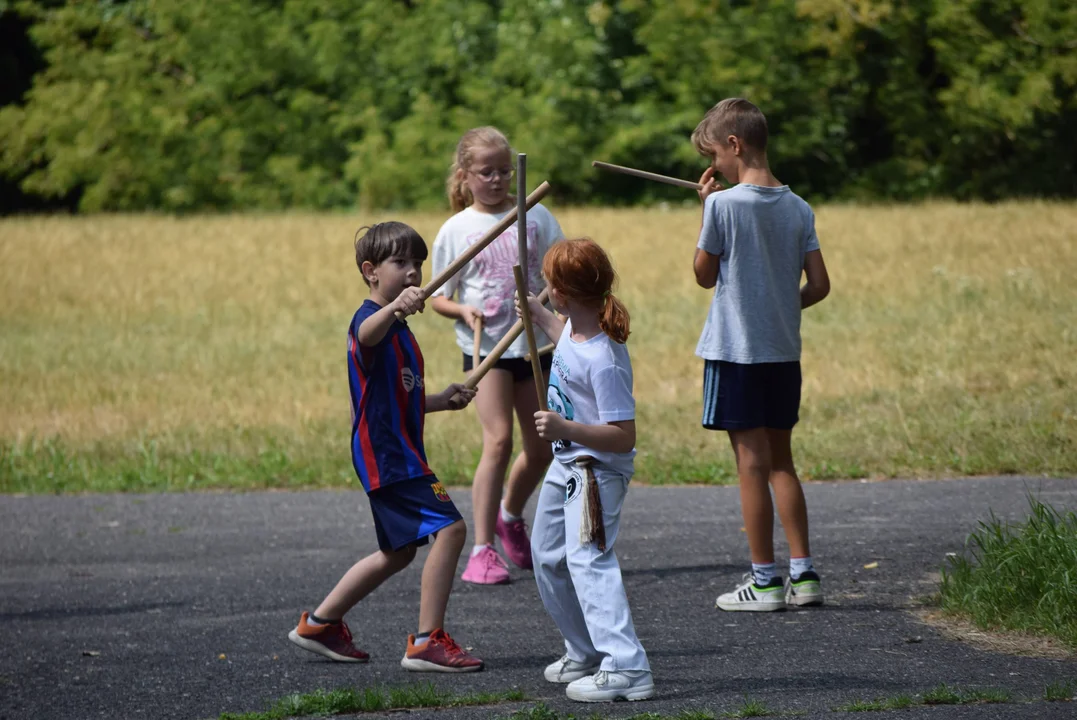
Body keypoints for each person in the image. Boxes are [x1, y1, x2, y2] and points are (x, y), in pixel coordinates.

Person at [288, 222, 484, 672]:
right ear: (370, 271)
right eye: (401, 264)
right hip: (388, 454)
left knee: (398, 552)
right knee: (452, 530)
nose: (414, 273)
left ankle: (321, 623)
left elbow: (399, 399)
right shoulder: (373, 322)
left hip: (394, 449)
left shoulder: (401, 335)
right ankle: (425, 641)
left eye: (418, 264)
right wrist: (395, 307)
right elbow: (364, 334)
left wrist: (439, 401)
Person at [690, 98, 831, 611]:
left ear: (735, 145)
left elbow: (704, 275)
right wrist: (780, 302)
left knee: (750, 464)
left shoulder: (723, 206)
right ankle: (805, 573)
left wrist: (706, 207)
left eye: (715, 156)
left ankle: (765, 581)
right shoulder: (799, 207)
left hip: (736, 354)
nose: (714, 169)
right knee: (782, 462)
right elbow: (819, 285)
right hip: (782, 353)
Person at [518, 238, 654, 703]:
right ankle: (584, 650)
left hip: (596, 469)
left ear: (560, 292)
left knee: (589, 560)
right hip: (567, 463)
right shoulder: (577, 333)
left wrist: (564, 426)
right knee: (548, 556)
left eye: (548, 288)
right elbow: (567, 346)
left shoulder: (606, 357)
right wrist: (538, 319)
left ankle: (627, 667)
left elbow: (623, 435)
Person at [430, 126, 564, 585]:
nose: (498, 180)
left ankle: (510, 515)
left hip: (533, 342)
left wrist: (546, 300)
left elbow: (557, 271)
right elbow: (438, 296)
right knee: (499, 440)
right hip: (486, 349)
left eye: (505, 171)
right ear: (465, 176)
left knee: (542, 446)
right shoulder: (457, 229)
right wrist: (462, 309)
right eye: (487, 172)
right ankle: (482, 549)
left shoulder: (535, 214)